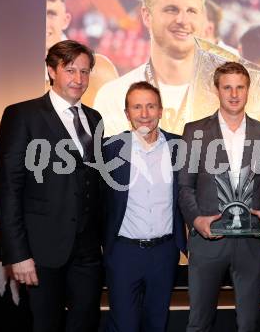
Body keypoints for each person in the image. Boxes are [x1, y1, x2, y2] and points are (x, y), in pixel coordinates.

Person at [0, 40, 103, 332]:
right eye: (70, 70)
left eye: (84, 71)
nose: (78, 79)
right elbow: (8, 189)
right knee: (45, 325)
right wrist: (17, 254)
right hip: (41, 251)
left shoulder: (94, 119)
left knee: (85, 323)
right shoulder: (22, 115)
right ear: (52, 71)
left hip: (88, 252)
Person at [179, 62, 260, 331]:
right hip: (208, 241)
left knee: (249, 324)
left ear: (248, 90)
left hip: (251, 243)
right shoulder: (194, 131)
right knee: (198, 322)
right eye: (227, 87)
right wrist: (196, 221)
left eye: (240, 87)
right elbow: (185, 187)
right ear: (217, 90)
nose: (234, 94)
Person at [102, 81, 186, 332]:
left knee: (157, 323)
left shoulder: (180, 146)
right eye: (137, 107)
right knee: (124, 324)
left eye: (151, 106)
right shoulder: (108, 149)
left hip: (165, 252)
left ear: (161, 110)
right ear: (127, 113)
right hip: (124, 252)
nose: (145, 113)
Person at [94, 0, 207, 137]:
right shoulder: (115, 95)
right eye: (171, 10)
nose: (183, 20)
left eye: (191, 11)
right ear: (147, 16)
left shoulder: (229, 95)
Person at [46, 0, 118, 107]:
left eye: (51, 14)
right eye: (36, 13)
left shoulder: (100, 70)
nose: (43, 22)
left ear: (65, 20)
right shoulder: (7, 74)